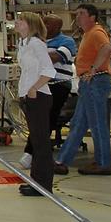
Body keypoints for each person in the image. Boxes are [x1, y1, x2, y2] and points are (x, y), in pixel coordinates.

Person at [54, 4, 111, 176]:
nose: (77, 16)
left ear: (92, 17)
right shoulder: (89, 34)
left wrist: (93, 69)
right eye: (77, 13)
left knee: (96, 124)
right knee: (79, 123)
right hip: (89, 83)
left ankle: (103, 163)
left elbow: (107, 48)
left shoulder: (96, 32)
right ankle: (62, 161)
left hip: (95, 81)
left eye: (82, 13)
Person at [20, 15, 75, 169]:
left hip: (57, 84)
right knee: (36, 120)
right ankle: (34, 153)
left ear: (57, 27)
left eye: (48, 23)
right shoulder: (36, 42)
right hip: (37, 85)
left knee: (46, 119)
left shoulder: (66, 41)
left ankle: (32, 154)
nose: (44, 25)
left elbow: (56, 58)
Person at [14, 13, 57, 196]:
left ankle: (43, 184)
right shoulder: (23, 44)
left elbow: (49, 70)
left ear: (30, 25)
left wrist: (34, 88)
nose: (16, 23)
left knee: (41, 142)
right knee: (36, 141)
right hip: (28, 97)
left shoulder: (36, 44)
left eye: (21, 20)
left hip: (38, 96)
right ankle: (36, 181)